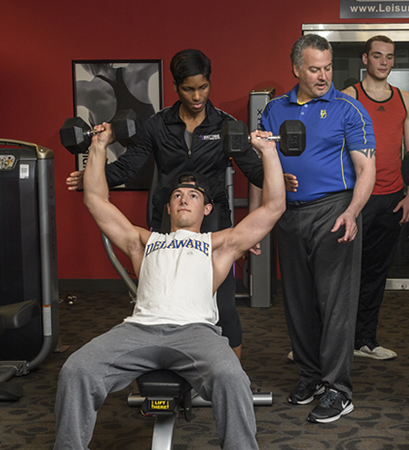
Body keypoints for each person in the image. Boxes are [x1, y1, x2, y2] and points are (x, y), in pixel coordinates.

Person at [54, 121, 286, 449]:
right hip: (138, 331)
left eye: (193, 195)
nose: (183, 199)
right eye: (177, 195)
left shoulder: (217, 245)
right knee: (76, 369)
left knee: (233, 378)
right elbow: (95, 200)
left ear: (206, 208)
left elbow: (274, 207)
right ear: (168, 207)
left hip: (196, 332)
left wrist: (268, 151)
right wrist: (99, 145)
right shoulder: (143, 241)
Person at [66, 49, 264, 360]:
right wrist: (94, 176)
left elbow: (254, 170)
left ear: (210, 83)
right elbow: (129, 167)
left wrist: (282, 177)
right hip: (167, 222)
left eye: (203, 87)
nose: (197, 96)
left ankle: (234, 377)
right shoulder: (157, 125)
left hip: (212, 222)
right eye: (189, 88)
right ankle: (168, 367)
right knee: (163, 299)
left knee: (223, 305)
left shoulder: (225, 124)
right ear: (175, 87)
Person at [261, 34, 376, 423]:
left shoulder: (349, 109)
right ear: (296, 69)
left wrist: (353, 211)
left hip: (334, 210)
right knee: (297, 302)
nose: (323, 75)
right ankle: (310, 375)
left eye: (328, 67)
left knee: (335, 303)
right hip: (288, 214)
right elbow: (265, 169)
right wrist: (261, 222)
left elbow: (366, 168)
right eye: (314, 68)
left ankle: (338, 389)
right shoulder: (273, 110)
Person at [340, 35, 409, 360]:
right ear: (365, 59)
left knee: (376, 273)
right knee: (342, 275)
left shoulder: (406, 100)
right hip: (355, 199)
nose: (384, 62)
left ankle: (365, 340)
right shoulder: (349, 97)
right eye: (377, 56)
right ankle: (328, 342)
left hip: (391, 198)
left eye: (389, 56)